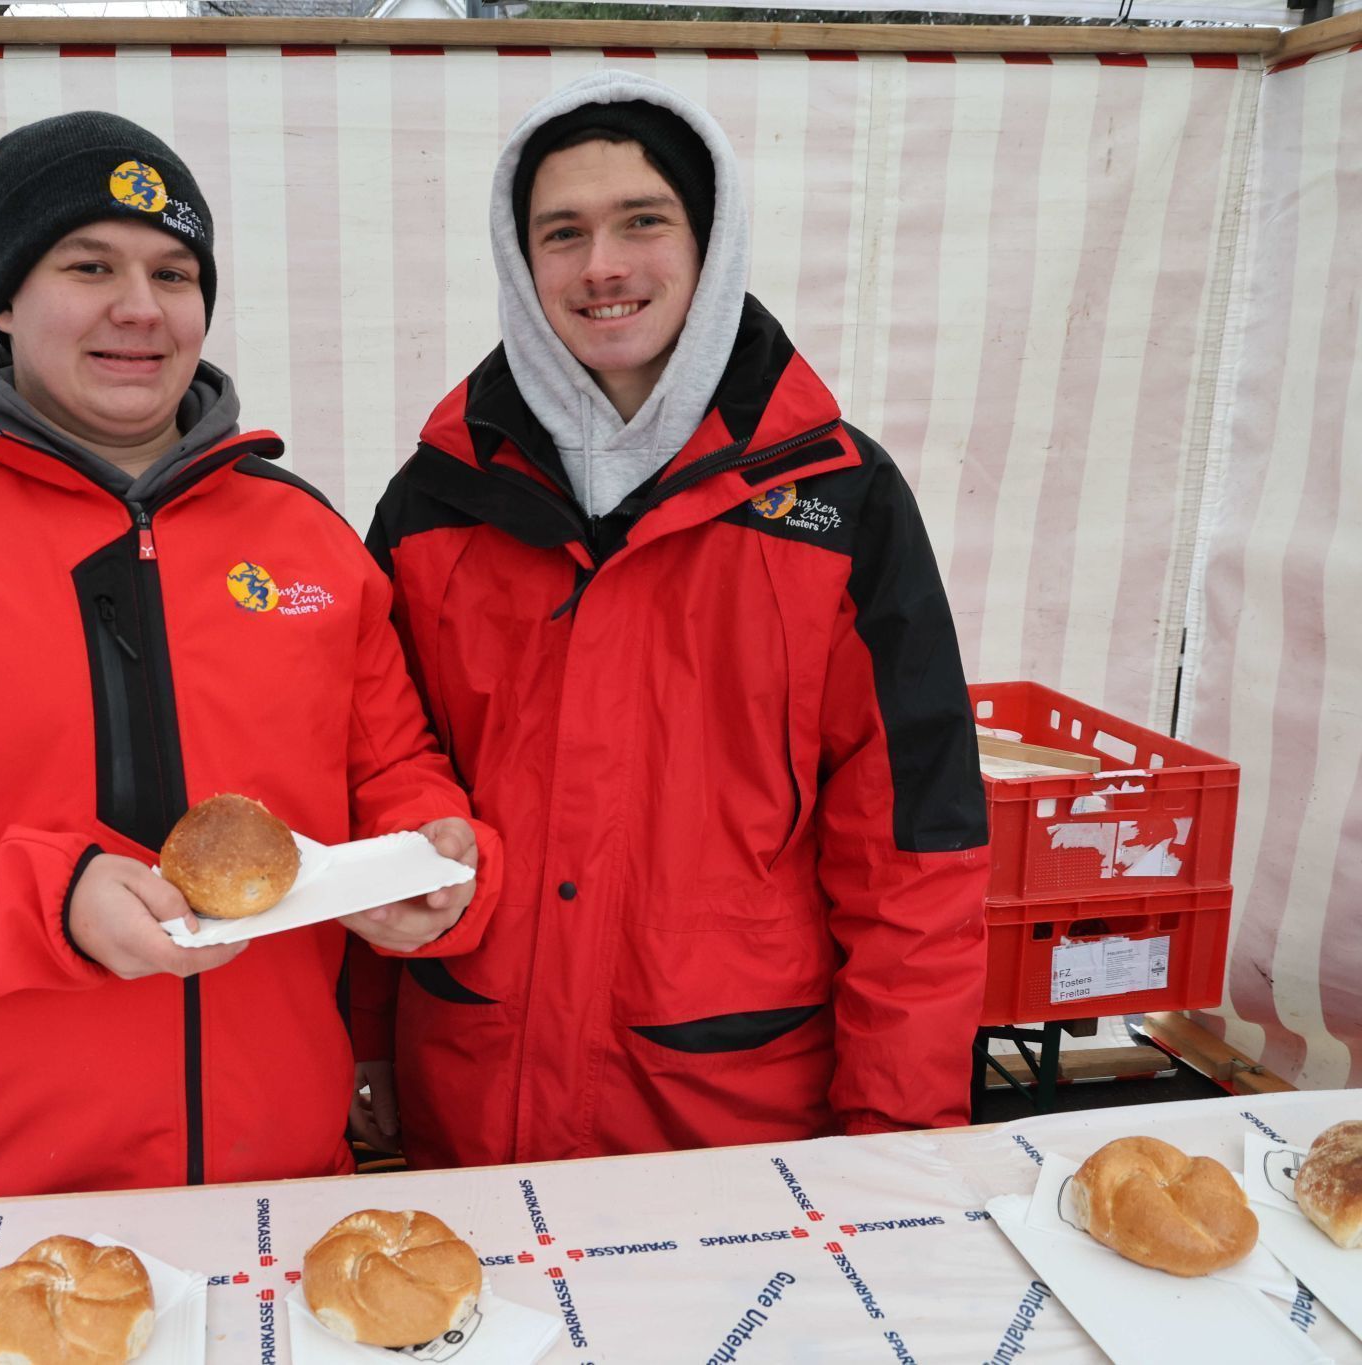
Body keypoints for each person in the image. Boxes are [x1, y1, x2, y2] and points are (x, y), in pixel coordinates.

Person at [0, 111, 496, 1201]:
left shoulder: (303, 536)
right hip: (0, 1194)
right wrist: (44, 904)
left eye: (173, 273)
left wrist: (428, 854)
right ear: (5, 299)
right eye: (89, 265)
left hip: (290, 1176)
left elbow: (390, 770)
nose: (139, 307)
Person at [361, 71, 990, 1168]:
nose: (601, 266)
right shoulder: (434, 498)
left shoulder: (839, 501)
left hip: (728, 1111)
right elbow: (373, 788)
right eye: (561, 233)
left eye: (640, 222)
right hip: (472, 1096)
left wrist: (900, 1136)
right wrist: (355, 1046)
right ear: (520, 264)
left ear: (709, 239)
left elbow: (912, 850)